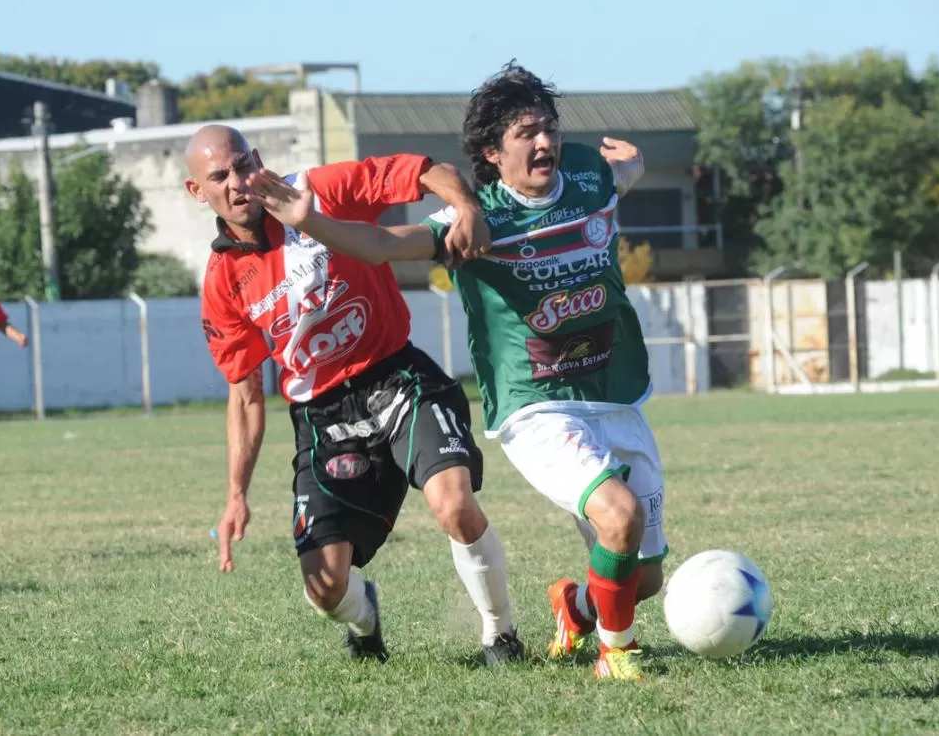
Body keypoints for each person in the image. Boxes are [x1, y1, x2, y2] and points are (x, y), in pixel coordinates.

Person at [242, 62, 666, 682]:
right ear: (493, 154)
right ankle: (616, 656)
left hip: (616, 390)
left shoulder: (587, 172)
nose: (544, 142)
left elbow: (619, 175)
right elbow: (385, 246)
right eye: (526, 134)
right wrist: (310, 221)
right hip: (537, 404)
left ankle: (575, 609)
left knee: (642, 577)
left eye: (548, 128)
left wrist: (638, 164)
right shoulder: (472, 222)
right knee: (620, 516)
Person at [186, 124, 522, 666]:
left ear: (259, 160)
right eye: (219, 176)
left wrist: (467, 208)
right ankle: (366, 617)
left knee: (454, 503)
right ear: (197, 191)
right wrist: (235, 495)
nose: (238, 183)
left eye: (243, 165)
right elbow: (246, 394)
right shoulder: (223, 280)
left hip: (397, 377)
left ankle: (499, 634)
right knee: (324, 587)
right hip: (322, 417)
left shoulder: (317, 190)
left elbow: (422, 170)